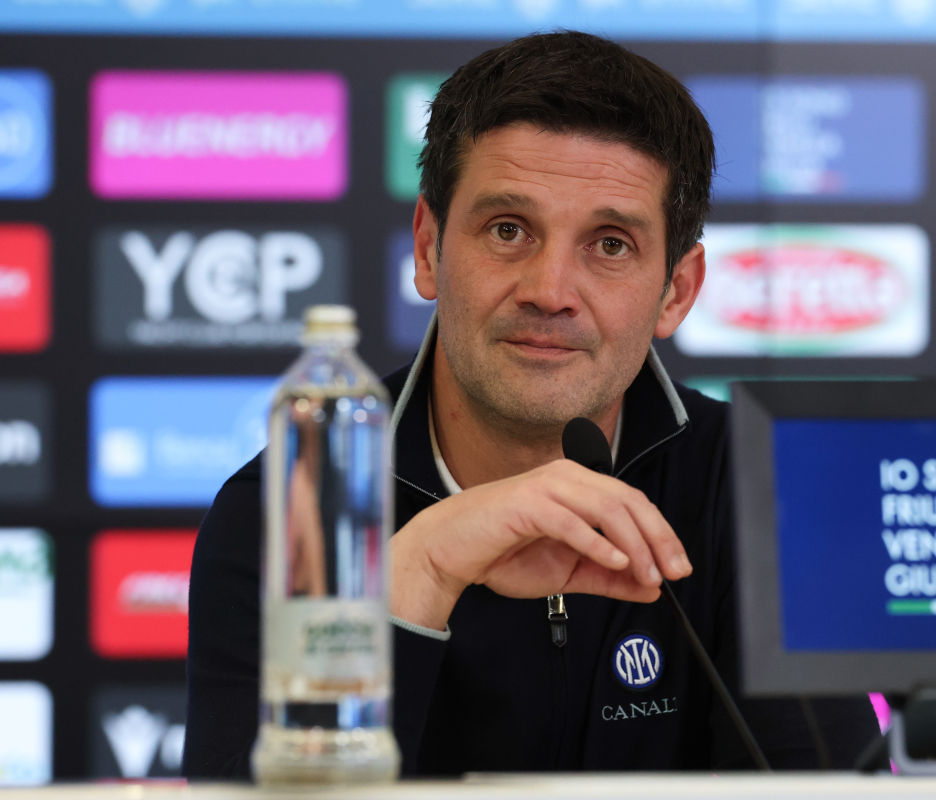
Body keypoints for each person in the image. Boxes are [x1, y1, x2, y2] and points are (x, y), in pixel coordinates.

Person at [183, 31, 879, 778]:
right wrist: (418, 570)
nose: (549, 291)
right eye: (508, 231)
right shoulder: (288, 509)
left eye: (610, 245)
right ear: (427, 247)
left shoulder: (755, 487)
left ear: (676, 290)